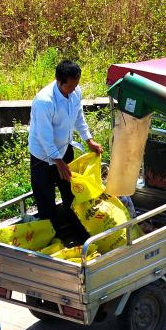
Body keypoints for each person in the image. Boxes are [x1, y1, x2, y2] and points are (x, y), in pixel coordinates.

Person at [28, 59, 103, 243]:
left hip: (64, 149)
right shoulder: (45, 102)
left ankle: (77, 231)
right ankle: (53, 238)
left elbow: (78, 117)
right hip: (44, 157)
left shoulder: (75, 92)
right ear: (58, 81)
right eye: (69, 86)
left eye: (75, 85)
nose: (73, 90)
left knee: (70, 193)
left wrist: (89, 139)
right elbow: (44, 136)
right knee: (46, 199)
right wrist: (57, 162)